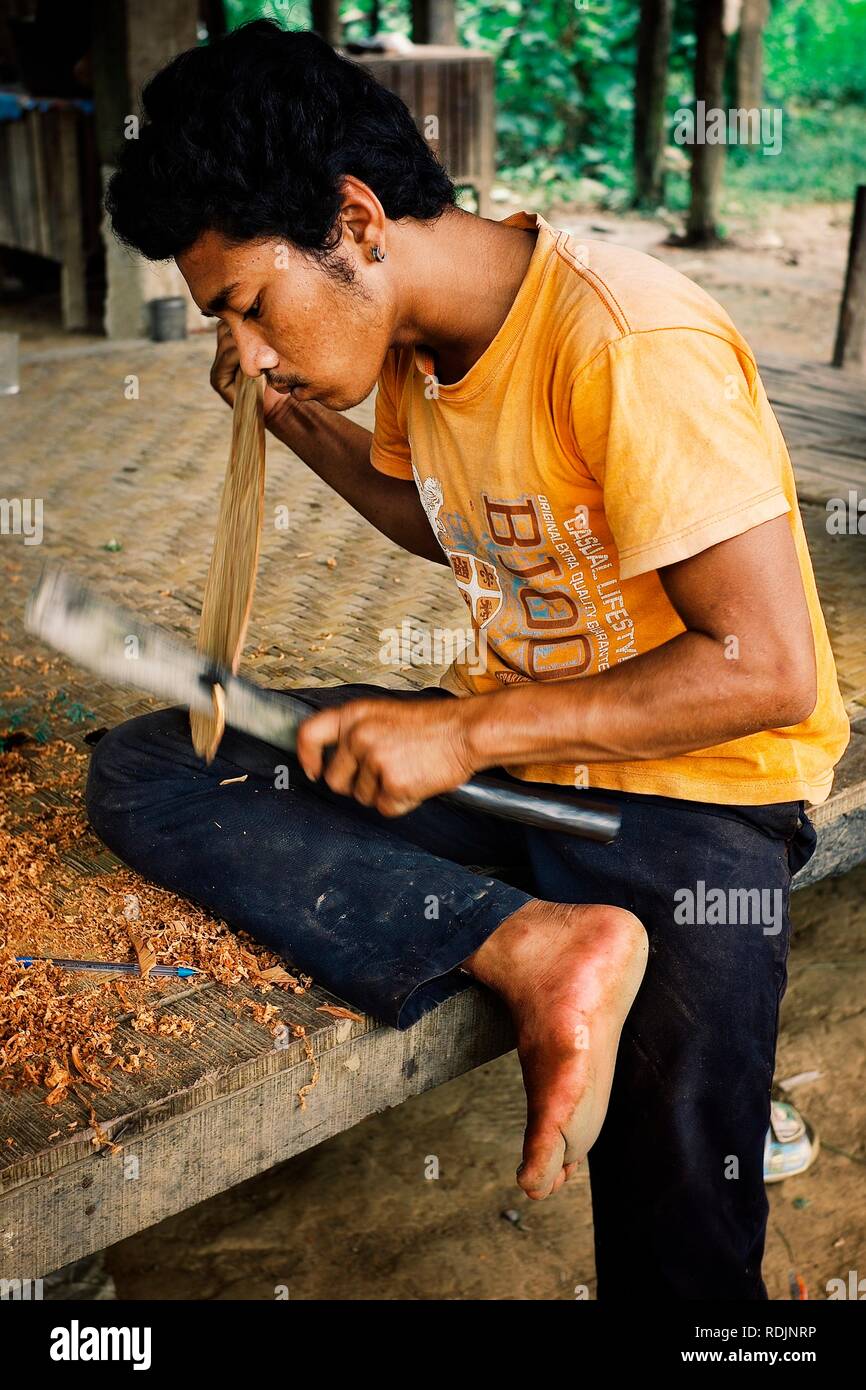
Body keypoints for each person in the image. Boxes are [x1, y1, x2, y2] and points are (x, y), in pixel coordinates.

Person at [90, 20, 849, 1299]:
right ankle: (533, 943)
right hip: (523, 766)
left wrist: (464, 734)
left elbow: (764, 668)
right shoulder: (414, 347)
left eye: (250, 307)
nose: (247, 345)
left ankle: (584, 954)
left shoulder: (622, 339)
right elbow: (445, 520)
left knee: (678, 1258)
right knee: (162, 764)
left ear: (356, 219)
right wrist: (295, 424)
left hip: (690, 801)